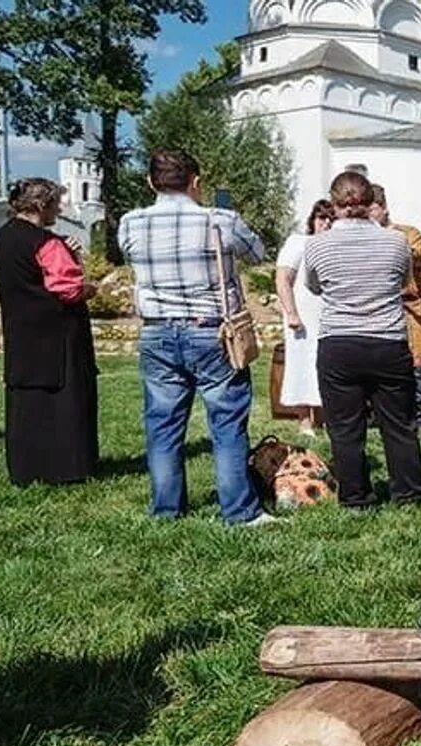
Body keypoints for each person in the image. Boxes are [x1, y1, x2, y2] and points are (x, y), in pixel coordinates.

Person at [118, 150, 271, 526]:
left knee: (163, 424)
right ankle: (238, 511)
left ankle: (166, 509)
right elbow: (259, 253)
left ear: (151, 182)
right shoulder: (220, 220)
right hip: (211, 331)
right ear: (196, 182)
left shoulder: (130, 223)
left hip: (156, 331)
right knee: (227, 421)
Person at [302, 171, 421, 509]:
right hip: (387, 338)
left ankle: (356, 496)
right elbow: (404, 281)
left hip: (339, 341)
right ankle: (409, 492)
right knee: (399, 424)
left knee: (345, 427)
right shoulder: (396, 241)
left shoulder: (316, 245)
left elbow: (314, 286)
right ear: (371, 201)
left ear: (333, 204)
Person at [0, 178, 99, 486]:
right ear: (40, 205)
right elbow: (68, 289)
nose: (59, 209)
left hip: (20, 332)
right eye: (55, 203)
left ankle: (27, 468)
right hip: (59, 333)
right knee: (65, 398)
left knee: (27, 402)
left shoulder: (0, 238)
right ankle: (68, 466)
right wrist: (90, 288)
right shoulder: (46, 243)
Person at [367, 184, 421, 430]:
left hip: (410, 312)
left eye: (373, 208)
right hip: (378, 313)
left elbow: (414, 256)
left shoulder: (409, 234)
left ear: (384, 208)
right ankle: (383, 415)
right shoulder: (364, 239)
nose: (369, 214)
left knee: (418, 362)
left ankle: (420, 419)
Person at [274, 199, 334, 435]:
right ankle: (304, 421)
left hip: (327, 317)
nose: (326, 224)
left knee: (324, 367)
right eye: (322, 218)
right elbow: (283, 280)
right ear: (313, 221)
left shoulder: (335, 246)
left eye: (331, 219)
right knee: (301, 366)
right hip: (301, 317)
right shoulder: (298, 243)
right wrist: (291, 313)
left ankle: (323, 417)